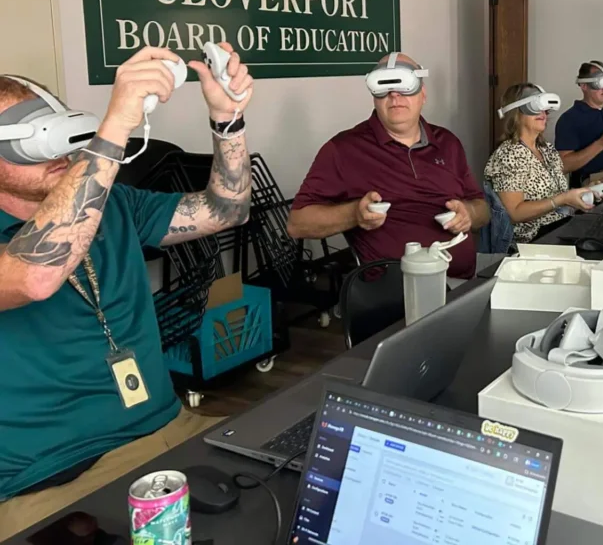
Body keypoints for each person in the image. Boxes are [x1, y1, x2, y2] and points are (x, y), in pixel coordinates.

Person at [0, 45, 254, 538]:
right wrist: (114, 126)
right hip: (52, 482)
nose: (55, 149)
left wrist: (228, 122)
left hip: (168, 430)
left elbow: (227, 211)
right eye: (26, 139)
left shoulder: (111, 206)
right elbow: (35, 275)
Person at [287, 53, 489, 280]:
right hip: (395, 294)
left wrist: (469, 213)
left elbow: (482, 209)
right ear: (374, 97)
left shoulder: (448, 143)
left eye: (405, 85)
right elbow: (298, 223)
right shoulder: (343, 150)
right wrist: (355, 214)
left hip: (462, 283)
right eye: (384, 87)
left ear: (423, 94)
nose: (395, 95)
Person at [484, 83, 594, 244]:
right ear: (516, 112)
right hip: (533, 241)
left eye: (544, 108)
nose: (543, 113)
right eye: (535, 107)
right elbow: (514, 213)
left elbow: (561, 197)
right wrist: (562, 199)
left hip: (562, 227)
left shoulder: (547, 149)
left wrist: (582, 194)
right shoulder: (509, 154)